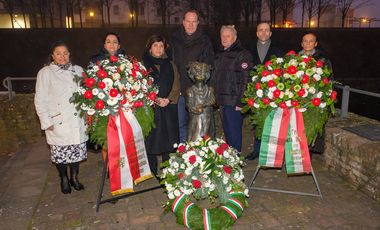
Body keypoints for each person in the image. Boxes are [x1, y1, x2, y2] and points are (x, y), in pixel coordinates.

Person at [34, 41, 88, 194]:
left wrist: (88, 113)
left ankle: (74, 177)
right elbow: (40, 99)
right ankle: (63, 178)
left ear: (69, 54)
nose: (62, 56)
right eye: (58, 53)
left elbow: (87, 94)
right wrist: (46, 121)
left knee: (77, 153)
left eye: (65, 53)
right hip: (59, 122)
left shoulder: (78, 70)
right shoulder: (45, 73)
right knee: (61, 155)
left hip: (77, 120)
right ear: (53, 56)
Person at [170, 10, 214, 143]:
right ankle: (184, 152)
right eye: (188, 21)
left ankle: (198, 152)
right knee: (180, 123)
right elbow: (169, 62)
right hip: (179, 89)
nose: (190, 24)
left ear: (198, 23)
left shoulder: (205, 40)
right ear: (183, 22)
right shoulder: (174, 39)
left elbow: (209, 65)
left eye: (194, 21)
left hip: (197, 91)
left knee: (198, 125)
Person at [142, 35, 180, 176]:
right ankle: (151, 168)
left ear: (165, 48)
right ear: (150, 47)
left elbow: (176, 84)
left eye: (161, 46)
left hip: (168, 107)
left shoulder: (170, 64)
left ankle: (167, 168)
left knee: (168, 138)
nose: (158, 49)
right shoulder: (142, 64)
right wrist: (153, 99)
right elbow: (138, 86)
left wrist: (169, 99)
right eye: (155, 45)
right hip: (150, 108)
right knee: (151, 138)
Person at [245, 22, 284, 160]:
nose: (263, 32)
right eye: (260, 30)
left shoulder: (279, 50)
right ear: (257, 33)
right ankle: (257, 150)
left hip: (273, 93)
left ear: (270, 33)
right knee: (257, 122)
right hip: (255, 92)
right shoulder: (248, 49)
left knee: (272, 121)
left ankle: (272, 153)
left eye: (266, 30)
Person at [212, 25, 253, 153]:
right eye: (222, 35)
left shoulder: (243, 54)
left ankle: (236, 163)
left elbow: (246, 79)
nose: (224, 38)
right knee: (228, 133)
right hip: (222, 101)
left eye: (228, 36)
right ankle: (230, 161)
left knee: (234, 135)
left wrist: (241, 101)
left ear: (234, 37)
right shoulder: (219, 53)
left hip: (234, 102)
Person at [88, 32, 126, 152]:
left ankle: (120, 169)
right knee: (106, 140)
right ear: (104, 45)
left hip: (121, 107)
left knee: (121, 139)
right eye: (108, 42)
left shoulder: (126, 61)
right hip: (102, 106)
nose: (112, 45)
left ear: (119, 46)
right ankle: (109, 170)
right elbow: (88, 83)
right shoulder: (95, 61)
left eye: (115, 42)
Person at [298, 31, 333, 156]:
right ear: (302, 43)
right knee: (298, 127)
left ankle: (308, 156)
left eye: (311, 41)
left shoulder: (322, 59)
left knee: (311, 127)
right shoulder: (295, 58)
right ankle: (297, 153)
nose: (308, 43)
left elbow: (329, 79)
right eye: (305, 41)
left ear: (316, 43)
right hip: (298, 99)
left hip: (314, 100)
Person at [186, 62, 216, 141]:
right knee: (195, 135)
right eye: (198, 73)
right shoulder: (190, 91)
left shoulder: (209, 90)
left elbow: (213, 101)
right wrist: (195, 109)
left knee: (208, 136)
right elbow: (189, 106)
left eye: (202, 73)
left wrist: (203, 105)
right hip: (195, 118)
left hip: (207, 117)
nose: (200, 75)